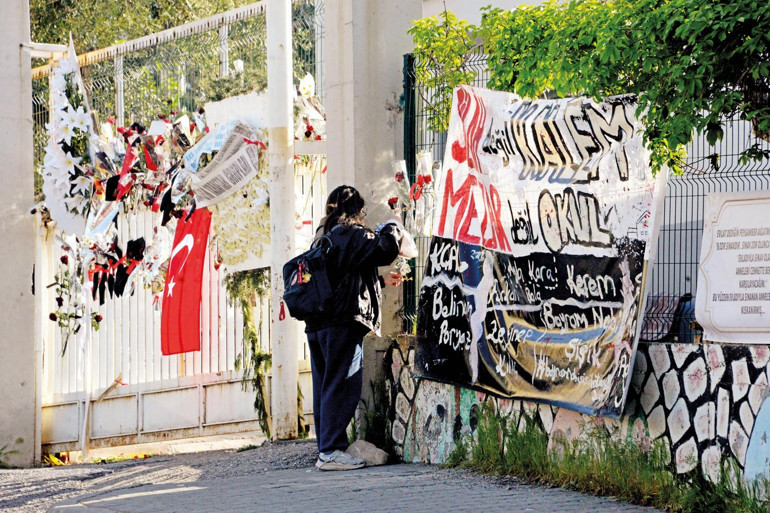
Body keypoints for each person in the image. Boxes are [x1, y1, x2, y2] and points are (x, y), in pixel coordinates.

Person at [305, 185, 404, 471]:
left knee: (325, 385)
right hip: (341, 323)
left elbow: (343, 277)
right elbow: (385, 250)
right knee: (343, 384)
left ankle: (327, 447)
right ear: (356, 210)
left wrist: (381, 283)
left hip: (318, 323)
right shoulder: (351, 233)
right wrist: (393, 226)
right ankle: (331, 452)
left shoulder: (323, 235)